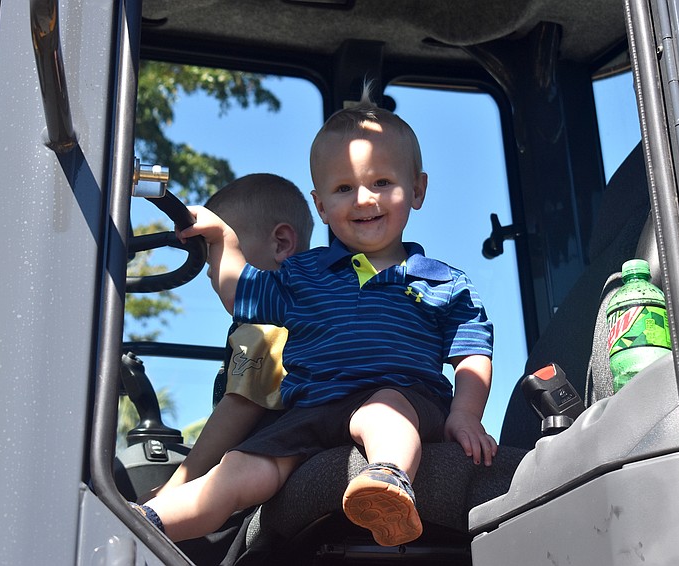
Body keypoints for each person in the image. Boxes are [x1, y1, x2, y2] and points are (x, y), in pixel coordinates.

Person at [136, 87, 497, 548]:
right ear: (322, 206)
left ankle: (387, 484)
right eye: (344, 189)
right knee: (240, 468)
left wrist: (466, 414)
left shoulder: (442, 281)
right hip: (314, 406)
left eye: (382, 183)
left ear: (418, 190)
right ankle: (142, 523)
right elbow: (242, 291)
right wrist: (223, 240)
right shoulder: (304, 274)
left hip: (405, 396)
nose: (364, 199)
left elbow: (471, 350)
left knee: (383, 411)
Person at [145, 173, 314, 500]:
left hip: (261, 487)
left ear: (280, 244)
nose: (210, 272)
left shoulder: (269, 330)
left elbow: (239, 408)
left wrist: (176, 488)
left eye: (219, 252)